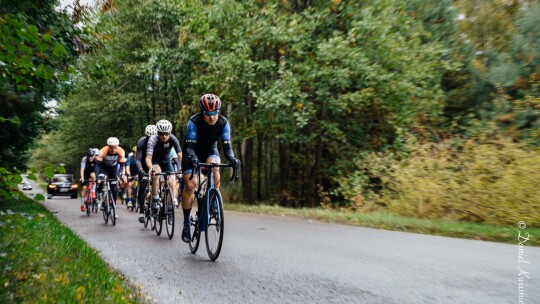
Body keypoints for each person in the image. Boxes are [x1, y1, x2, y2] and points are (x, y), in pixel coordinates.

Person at [180, 94, 240, 243]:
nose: (212, 117)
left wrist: (232, 159)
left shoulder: (223, 123)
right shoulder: (194, 122)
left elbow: (227, 148)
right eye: (208, 114)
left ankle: (213, 202)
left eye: (215, 113)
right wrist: (194, 159)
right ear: (202, 112)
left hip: (210, 150)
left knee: (215, 168)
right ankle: (187, 223)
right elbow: (190, 148)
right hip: (192, 152)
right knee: (190, 185)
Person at [145, 120, 182, 219]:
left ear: (170, 133)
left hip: (166, 161)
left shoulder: (173, 138)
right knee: (156, 175)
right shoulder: (153, 140)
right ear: (157, 133)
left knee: (172, 183)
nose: (164, 136)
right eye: (161, 134)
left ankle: (169, 209)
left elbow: (179, 155)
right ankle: (155, 199)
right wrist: (151, 169)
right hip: (155, 161)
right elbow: (148, 158)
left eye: (166, 134)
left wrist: (180, 168)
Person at [96, 137, 127, 218]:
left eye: (115, 148)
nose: (113, 150)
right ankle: (99, 195)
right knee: (101, 181)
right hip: (103, 168)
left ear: (117, 146)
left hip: (113, 169)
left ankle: (113, 207)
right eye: (111, 148)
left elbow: (122, 165)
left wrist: (119, 175)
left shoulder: (121, 151)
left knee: (114, 188)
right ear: (108, 146)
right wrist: (98, 177)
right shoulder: (102, 151)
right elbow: (98, 165)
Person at [135, 124, 157, 223]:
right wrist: (141, 171)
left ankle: (157, 202)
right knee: (143, 185)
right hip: (144, 164)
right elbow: (138, 159)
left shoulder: (158, 141)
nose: (150, 139)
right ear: (145, 135)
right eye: (148, 137)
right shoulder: (141, 142)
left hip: (155, 162)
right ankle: (141, 211)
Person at [79, 148, 98, 212]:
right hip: (85, 173)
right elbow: (82, 169)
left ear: (94, 155)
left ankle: (93, 191)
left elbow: (97, 169)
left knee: (93, 176)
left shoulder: (96, 159)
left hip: (92, 171)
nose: (90, 158)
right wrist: (82, 177)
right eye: (89, 156)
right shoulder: (84, 159)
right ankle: (82, 205)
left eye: (91, 156)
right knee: (84, 188)